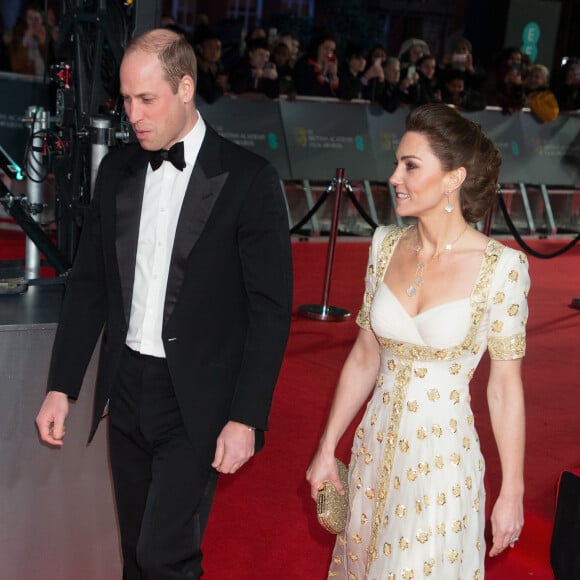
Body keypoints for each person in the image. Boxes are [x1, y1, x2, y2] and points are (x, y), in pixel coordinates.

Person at [35, 28, 293, 579]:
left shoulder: (248, 181)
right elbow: (91, 288)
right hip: (127, 390)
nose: (132, 114)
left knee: (165, 555)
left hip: (196, 401)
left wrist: (246, 416)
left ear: (184, 87)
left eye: (146, 99)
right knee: (134, 552)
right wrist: (63, 386)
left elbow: (270, 313)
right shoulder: (119, 172)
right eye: (125, 100)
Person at [307, 102, 529, 579]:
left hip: (442, 466)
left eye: (410, 165)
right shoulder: (384, 245)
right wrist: (328, 447)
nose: (394, 177)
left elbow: (504, 387)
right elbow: (365, 357)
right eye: (396, 164)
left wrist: (512, 490)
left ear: (453, 178)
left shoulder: (503, 268)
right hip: (373, 450)